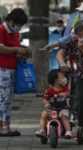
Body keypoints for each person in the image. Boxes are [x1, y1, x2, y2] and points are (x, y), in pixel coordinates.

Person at [0, 8, 29, 136]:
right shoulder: (1, 30)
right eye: (18, 25)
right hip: (3, 69)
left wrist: (22, 52)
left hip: (13, 69)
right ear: (11, 21)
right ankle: (2, 128)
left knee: (9, 100)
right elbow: (1, 49)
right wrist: (17, 49)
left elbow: (14, 49)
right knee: (3, 99)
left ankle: (7, 126)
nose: (19, 27)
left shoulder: (15, 32)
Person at [36, 69, 72, 139]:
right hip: (52, 110)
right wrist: (46, 103)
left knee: (64, 116)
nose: (64, 78)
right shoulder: (48, 90)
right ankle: (42, 130)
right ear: (56, 81)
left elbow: (68, 93)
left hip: (62, 109)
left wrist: (64, 94)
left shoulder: (64, 88)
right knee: (44, 114)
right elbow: (45, 98)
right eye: (62, 77)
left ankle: (68, 131)